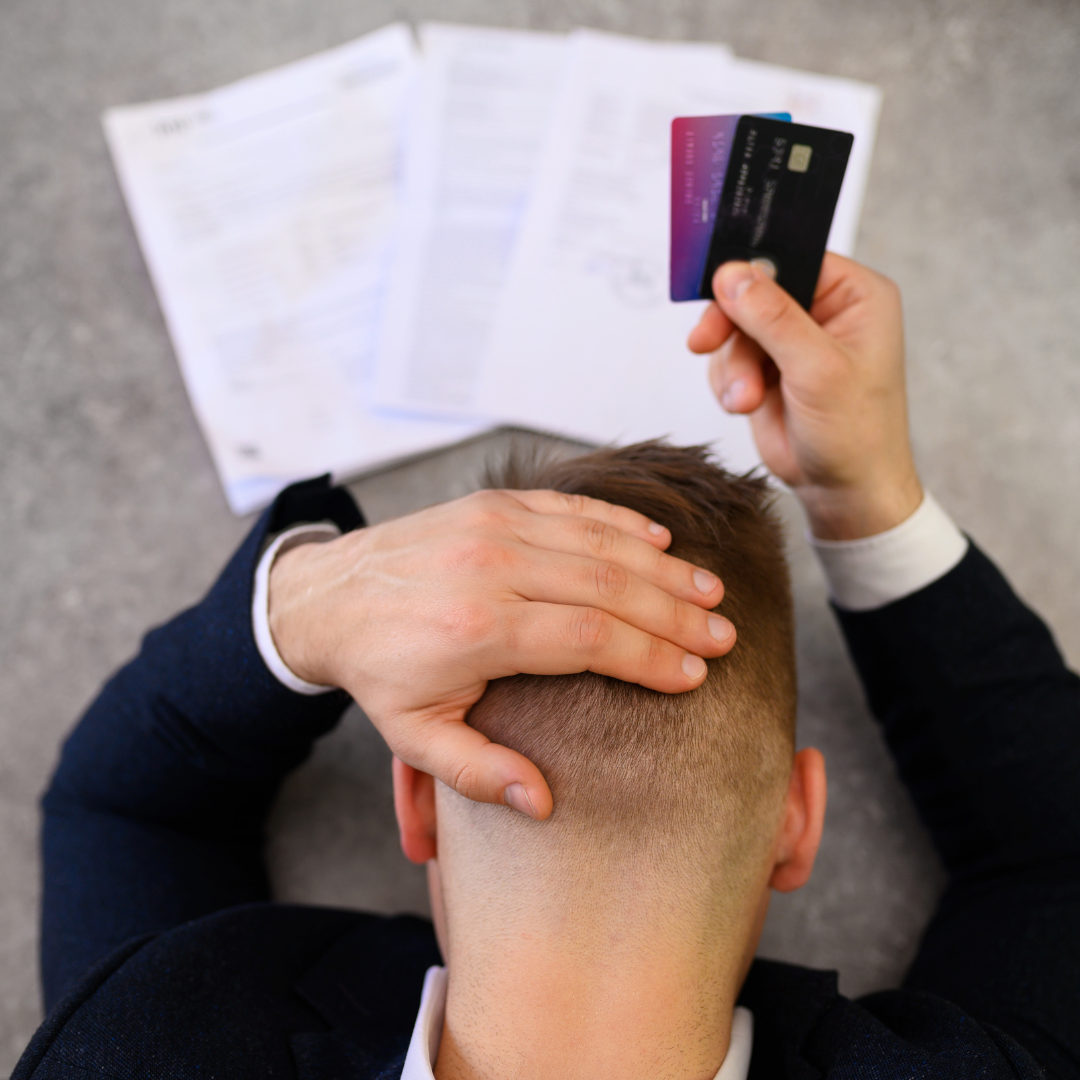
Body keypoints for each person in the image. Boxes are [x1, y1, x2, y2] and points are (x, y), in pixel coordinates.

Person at [14, 255, 1080, 1079]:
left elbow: (128, 812)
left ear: (416, 800)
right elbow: (1056, 851)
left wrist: (306, 603)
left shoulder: (156, 1040)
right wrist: (860, 498)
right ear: (799, 820)